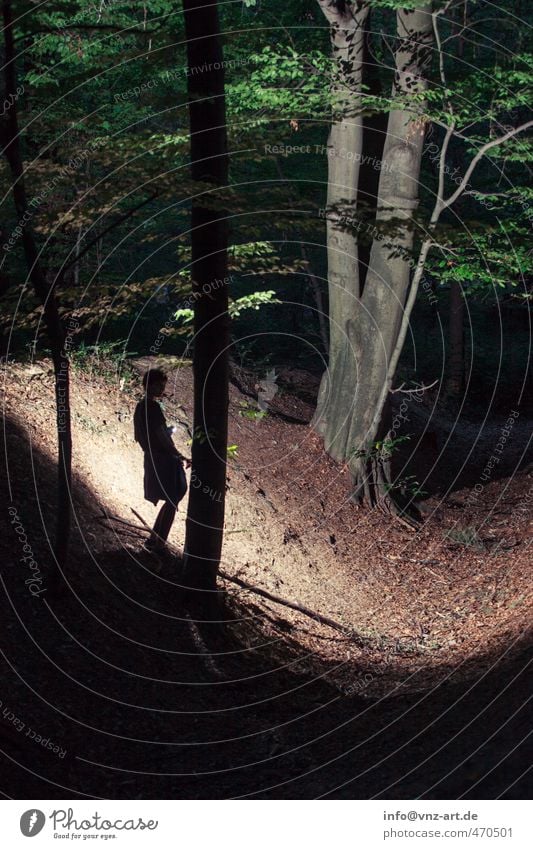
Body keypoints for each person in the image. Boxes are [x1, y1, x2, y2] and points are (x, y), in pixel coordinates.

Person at [133, 368, 190, 552]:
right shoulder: (152, 407)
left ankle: (156, 539)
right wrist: (177, 454)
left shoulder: (141, 407)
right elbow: (160, 435)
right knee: (175, 494)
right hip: (161, 457)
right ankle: (157, 541)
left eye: (163, 385)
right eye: (158, 385)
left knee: (173, 496)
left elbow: (147, 434)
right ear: (148, 385)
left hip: (152, 455)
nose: (161, 389)